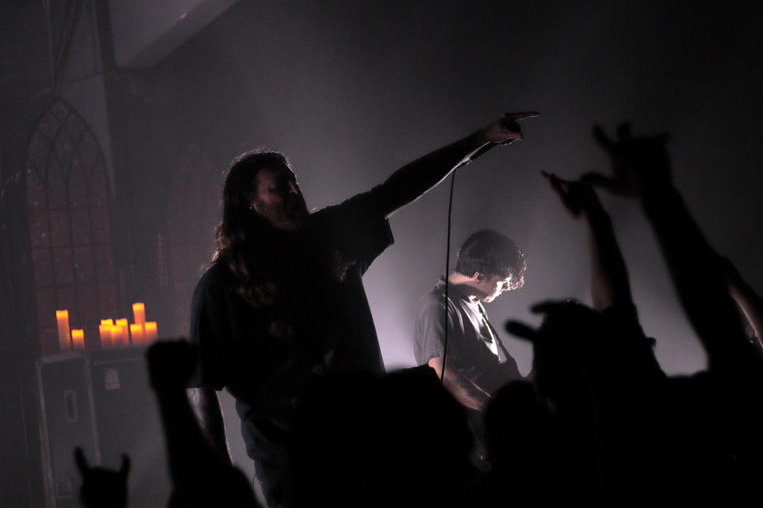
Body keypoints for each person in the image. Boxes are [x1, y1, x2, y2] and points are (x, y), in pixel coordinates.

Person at [187, 112, 538, 507]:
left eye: (294, 180)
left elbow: (397, 189)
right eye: (279, 187)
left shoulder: (329, 235)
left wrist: (479, 139)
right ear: (250, 204)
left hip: (371, 447)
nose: (294, 190)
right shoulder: (222, 287)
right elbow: (200, 387)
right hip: (295, 463)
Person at [414, 229, 527, 468]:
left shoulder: (473, 302)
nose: (505, 288)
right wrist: (498, 413)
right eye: (501, 283)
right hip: (474, 445)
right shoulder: (438, 306)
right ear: (479, 276)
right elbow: (445, 376)